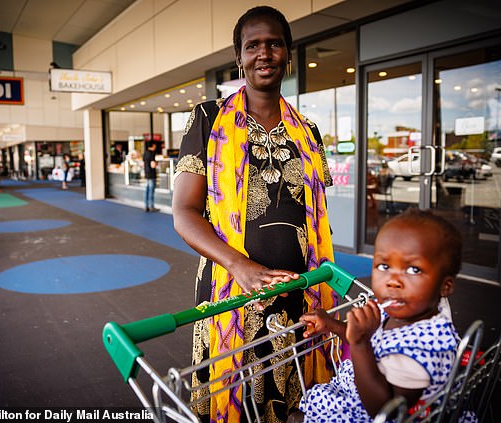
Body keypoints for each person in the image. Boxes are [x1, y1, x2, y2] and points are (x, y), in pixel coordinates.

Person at [172, 6, 335, 422]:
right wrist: (239, 265)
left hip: (302, 292)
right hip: (231, 295)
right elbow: (184, 212)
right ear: (239, 57)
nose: (264, 53)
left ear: (288, 54)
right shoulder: (207, 119)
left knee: (296, 402)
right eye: (253, 45)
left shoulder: (309, 132)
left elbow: (316, 218)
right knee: (235, 404)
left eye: (274, 43)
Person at [293, 208, 463, 422]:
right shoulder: (397, 310)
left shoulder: (426, 346)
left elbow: (385, 411)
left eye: (413, 270)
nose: (393, 281)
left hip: (374, 411)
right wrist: (333, 326)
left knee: (297, 418)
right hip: (356, 391)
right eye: (384, 266)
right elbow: (367, 336)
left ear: (445, 286)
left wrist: (360, 344)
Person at [143, 142, 159, 212]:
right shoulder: (152, 154)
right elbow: (153, 165)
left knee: (147, 190)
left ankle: (146, 206)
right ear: (152, 145)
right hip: (152, 174)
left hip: (146, 173)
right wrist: (156, 163)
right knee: (151, 191)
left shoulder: (145, 153)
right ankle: (151, 206)